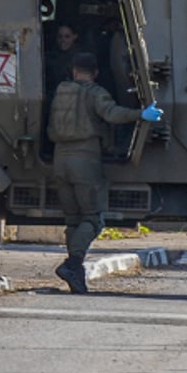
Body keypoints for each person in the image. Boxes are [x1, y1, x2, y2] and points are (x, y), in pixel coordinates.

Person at [47, 51, 163, 293]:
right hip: (84, 160)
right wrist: (140, 115)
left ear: (73, 70)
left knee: (73, 220)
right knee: (92, 218)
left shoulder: (61, 90)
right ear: (96, 73)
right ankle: (72, 264)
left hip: (60, 159)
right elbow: (112, 114)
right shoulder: (95, 92)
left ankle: (75, 275)